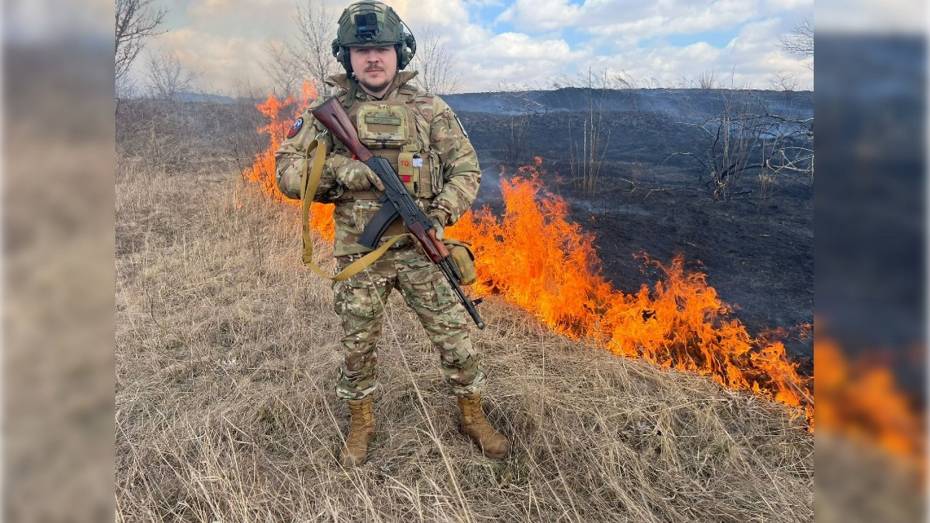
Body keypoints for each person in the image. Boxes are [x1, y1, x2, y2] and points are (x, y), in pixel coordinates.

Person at [274, 0, 509, 467]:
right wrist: (345, 172)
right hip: (361, 255)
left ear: (400, 53)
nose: (373, 58)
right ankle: (361, 424)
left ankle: (472, 415)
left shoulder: (429, 110)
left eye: (382, 48)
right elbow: (286, 173)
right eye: (361, 51)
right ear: (347, 58)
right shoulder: (330, 113)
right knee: (358, 347)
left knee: (456, 340)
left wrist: (439, 213)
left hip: (423, 252)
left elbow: (466, 169)